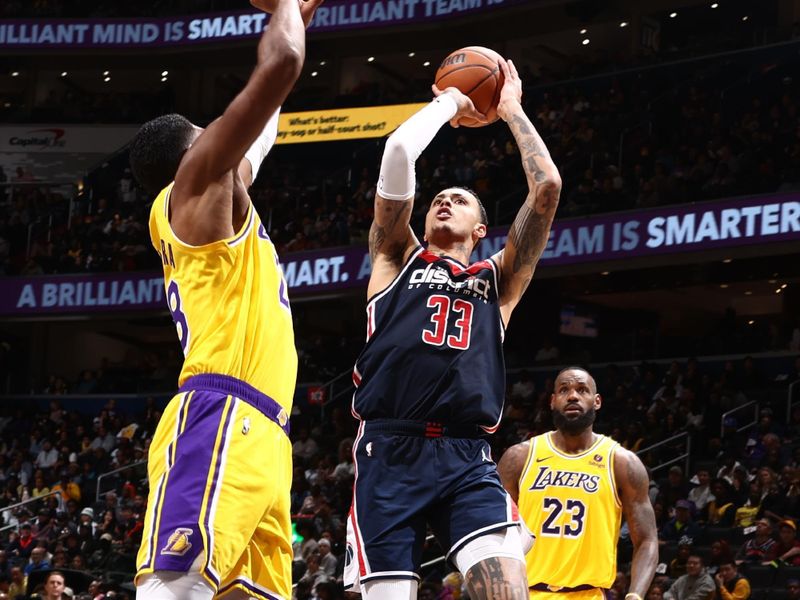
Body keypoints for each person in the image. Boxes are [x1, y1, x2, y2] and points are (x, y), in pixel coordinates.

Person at [346, 58, 562, 599]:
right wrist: (449, 104)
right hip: (389, 450)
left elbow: (547, 188)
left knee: (506, 591)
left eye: (460, 199)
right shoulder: (396, 257)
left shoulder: (500, 279)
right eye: (438, 198)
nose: (445, 200)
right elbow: (398, 153)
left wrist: (509, 109)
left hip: (467, 456)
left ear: (482, 228)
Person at [127, 0, 322, 598]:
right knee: (173, 586)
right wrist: (286, 6)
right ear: (194, 153)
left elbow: (260, 134)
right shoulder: (194, 186)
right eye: (211, 136)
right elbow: (283, 63)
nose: (226, 137)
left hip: (265, 433)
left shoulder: (217, 197)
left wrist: (297, 19)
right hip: (221, 413)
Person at [498, 367, 658, 600]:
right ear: (553, 401)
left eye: (582, 390)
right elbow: (494, 531)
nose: (572, 395)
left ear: (597, 401)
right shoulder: (519, 458)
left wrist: (635, 594)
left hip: (589, 593)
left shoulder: (622, 463)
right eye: (564, 390)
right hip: (523, 592)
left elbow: (647, 540)